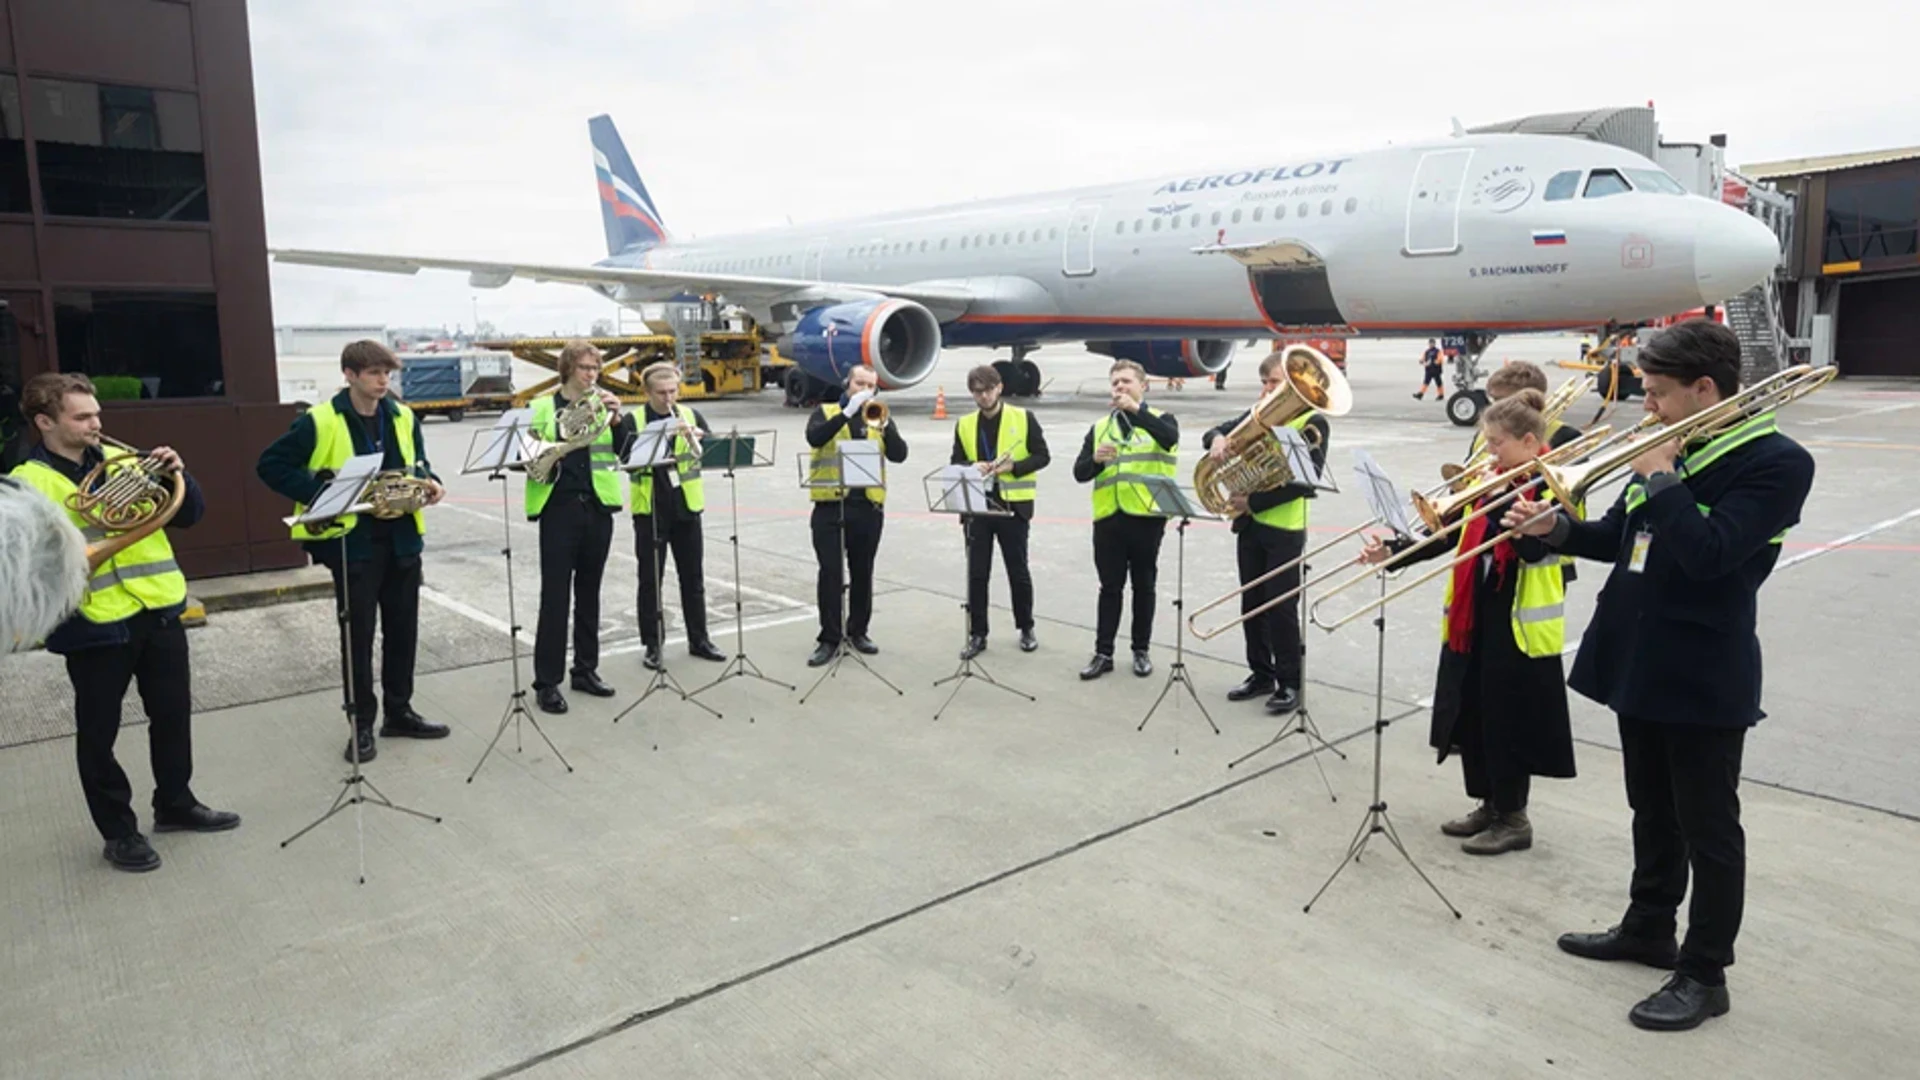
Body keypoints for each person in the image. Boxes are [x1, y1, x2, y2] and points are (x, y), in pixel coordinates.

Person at [1503, 319, 1816, 1032]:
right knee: (1651, 808)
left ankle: (1706, 973)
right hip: (1638, 658)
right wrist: (1550, 531)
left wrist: (1662, 474)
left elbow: (1709, 553)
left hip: (1702, 667)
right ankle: (1649, 925)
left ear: (1705, 389)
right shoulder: (1674, 447)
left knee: (1710, 827)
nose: (1646, 408)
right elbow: (1620, 536)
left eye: (1657, 394)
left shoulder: (1775, 461)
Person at [11, 373, 239, 872]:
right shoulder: (24, 485)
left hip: (156, 608)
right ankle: (118, 832)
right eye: (83, 416)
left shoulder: (126, 462)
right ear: (46, 422)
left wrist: (180, 475)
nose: (97, 423)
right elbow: (24, 566)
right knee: (98, 734)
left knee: (173, 715)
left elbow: (190, 513)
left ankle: (175, 803)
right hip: (92, 622)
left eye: (96, 413)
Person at [1362, 388, 1575, 856]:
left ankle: (1513, 816)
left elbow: (1536, 547)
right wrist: (1393, 555)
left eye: (1497, 443)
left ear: (1528, 441)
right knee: (1473, 711)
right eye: (1487, 441)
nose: (1488, 451)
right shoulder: (1492, 479)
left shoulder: (1552, 485)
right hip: (1473, 611)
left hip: (1516, 621)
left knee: (1509, 721)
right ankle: (1488, 802)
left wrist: (1502, 502)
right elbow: (1446, 536)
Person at [257, 340, 449, 764]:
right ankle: (361, 722)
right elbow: (270, 465)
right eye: (374, 373)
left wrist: (430, 481)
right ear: (349, 375)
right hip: (353, 543)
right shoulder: (319, 420)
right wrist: (324, 494)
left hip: (402, 539)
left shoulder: (402, 415)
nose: (383, 381)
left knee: (403, 632)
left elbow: (419, 463)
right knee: (357, 637)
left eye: (387, 373)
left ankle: (399, 711)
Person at [1202, 350, 1328, 714]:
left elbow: (1306, 483)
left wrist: (1252, 502)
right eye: (1265, 383)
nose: (1268, 390)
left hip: (1285, 530)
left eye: (1274, 383)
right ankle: (1261, 673)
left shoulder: (1311, 420)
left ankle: (1290, 683)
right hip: (1251, 529)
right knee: (1252, 604)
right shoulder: (1260, 414)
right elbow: (1217, 430)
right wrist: (1217, 440)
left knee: (1281, 609)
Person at [525, 340, 627, 714]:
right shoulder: (539, 408)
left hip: (597, 508)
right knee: (555, 598)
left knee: (590, 594)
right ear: (567, 369)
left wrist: (617, 421)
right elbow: (525, 458)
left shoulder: (602, 406)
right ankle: (547, 681)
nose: (591, 375)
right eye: (585, 368)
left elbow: (625, 452)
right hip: (557, 510)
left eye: (596, 369)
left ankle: (585, 669)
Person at [1073, 359, 1179, 679]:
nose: (1120, 387)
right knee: (1110, 587)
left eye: (1127, 382)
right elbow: (1079, 473)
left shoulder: (1160, 419)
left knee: (1144, 586)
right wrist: (1094, 459)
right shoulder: (1100, 427)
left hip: (1146, 516)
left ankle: (1140, 650)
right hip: (1109, 517)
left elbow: (1169, 438)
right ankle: (1104, 652)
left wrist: (1136, 410)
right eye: (1115, 382)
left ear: (1143, 386)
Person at [804, 364, 908, 666]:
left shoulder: (878, 415)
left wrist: (886, 426)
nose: (864, 390)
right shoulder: (825, 412)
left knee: (863, 572)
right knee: (831, 573)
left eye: (870, 386)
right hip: (830, 505)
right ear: (846, 384)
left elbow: (899, 455)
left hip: (868, 506)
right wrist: (847, 412)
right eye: (858, 383)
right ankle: (829, 637)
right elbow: (816, 438)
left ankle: (859, 630)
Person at [949, 363, 1051, 658]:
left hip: (1012, 507)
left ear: (999, 388)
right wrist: (972, 467)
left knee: (1017, 571)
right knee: (977, 574)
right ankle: (978, 633)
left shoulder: (1023, 418)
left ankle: (1026, 626)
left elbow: (1042, 455)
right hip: (978, 507)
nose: (983, 397)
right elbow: (956, 460)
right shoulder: (966, 424)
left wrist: (1014, 467)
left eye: (988, 390)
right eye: (977, 392)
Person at [629, 362, 725, 669]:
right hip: (652, 507)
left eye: (673, 391)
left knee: (693, 578)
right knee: (650, 581)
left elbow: (710, 452)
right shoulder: (635, 419)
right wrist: (660, 436)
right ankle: (652, 645)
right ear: (648, 392)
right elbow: (626, 458)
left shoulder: (689, 414)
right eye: (661, 393)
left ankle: (699, 639)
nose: (668, 398)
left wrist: (701, 437)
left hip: (686, 505)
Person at [1485, 362, 1582, 449]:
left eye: (1502, 401)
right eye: (1493, 400)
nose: (1494, 407)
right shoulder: (1487, 431)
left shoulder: (1565, 435)